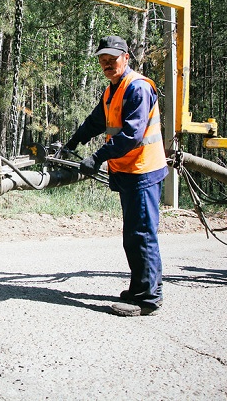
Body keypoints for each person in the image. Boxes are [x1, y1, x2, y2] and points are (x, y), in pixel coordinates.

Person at [63, 35, 168, 317]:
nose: (107, 64)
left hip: (143, 170)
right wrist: (72, 143)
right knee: (133, 235)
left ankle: (148, 299)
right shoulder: (112, 90)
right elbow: (96, 122)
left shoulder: (138, 89)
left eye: (113, 59)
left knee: (142, 234)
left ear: (126, 57)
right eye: (103, 60)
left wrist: (97, 157)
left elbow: (132, 135)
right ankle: (139, 288)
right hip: (127, 171)